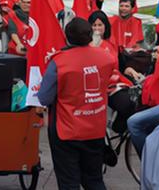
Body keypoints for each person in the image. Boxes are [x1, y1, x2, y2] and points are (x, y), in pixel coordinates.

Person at [37, 17, 116, 190]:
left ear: (67, 37)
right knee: (94, 179)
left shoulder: (59, 61)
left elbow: (44, 98)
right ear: (90, 36)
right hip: (95, 128)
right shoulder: (106, 57)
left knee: (69, 182)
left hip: (66, 130)